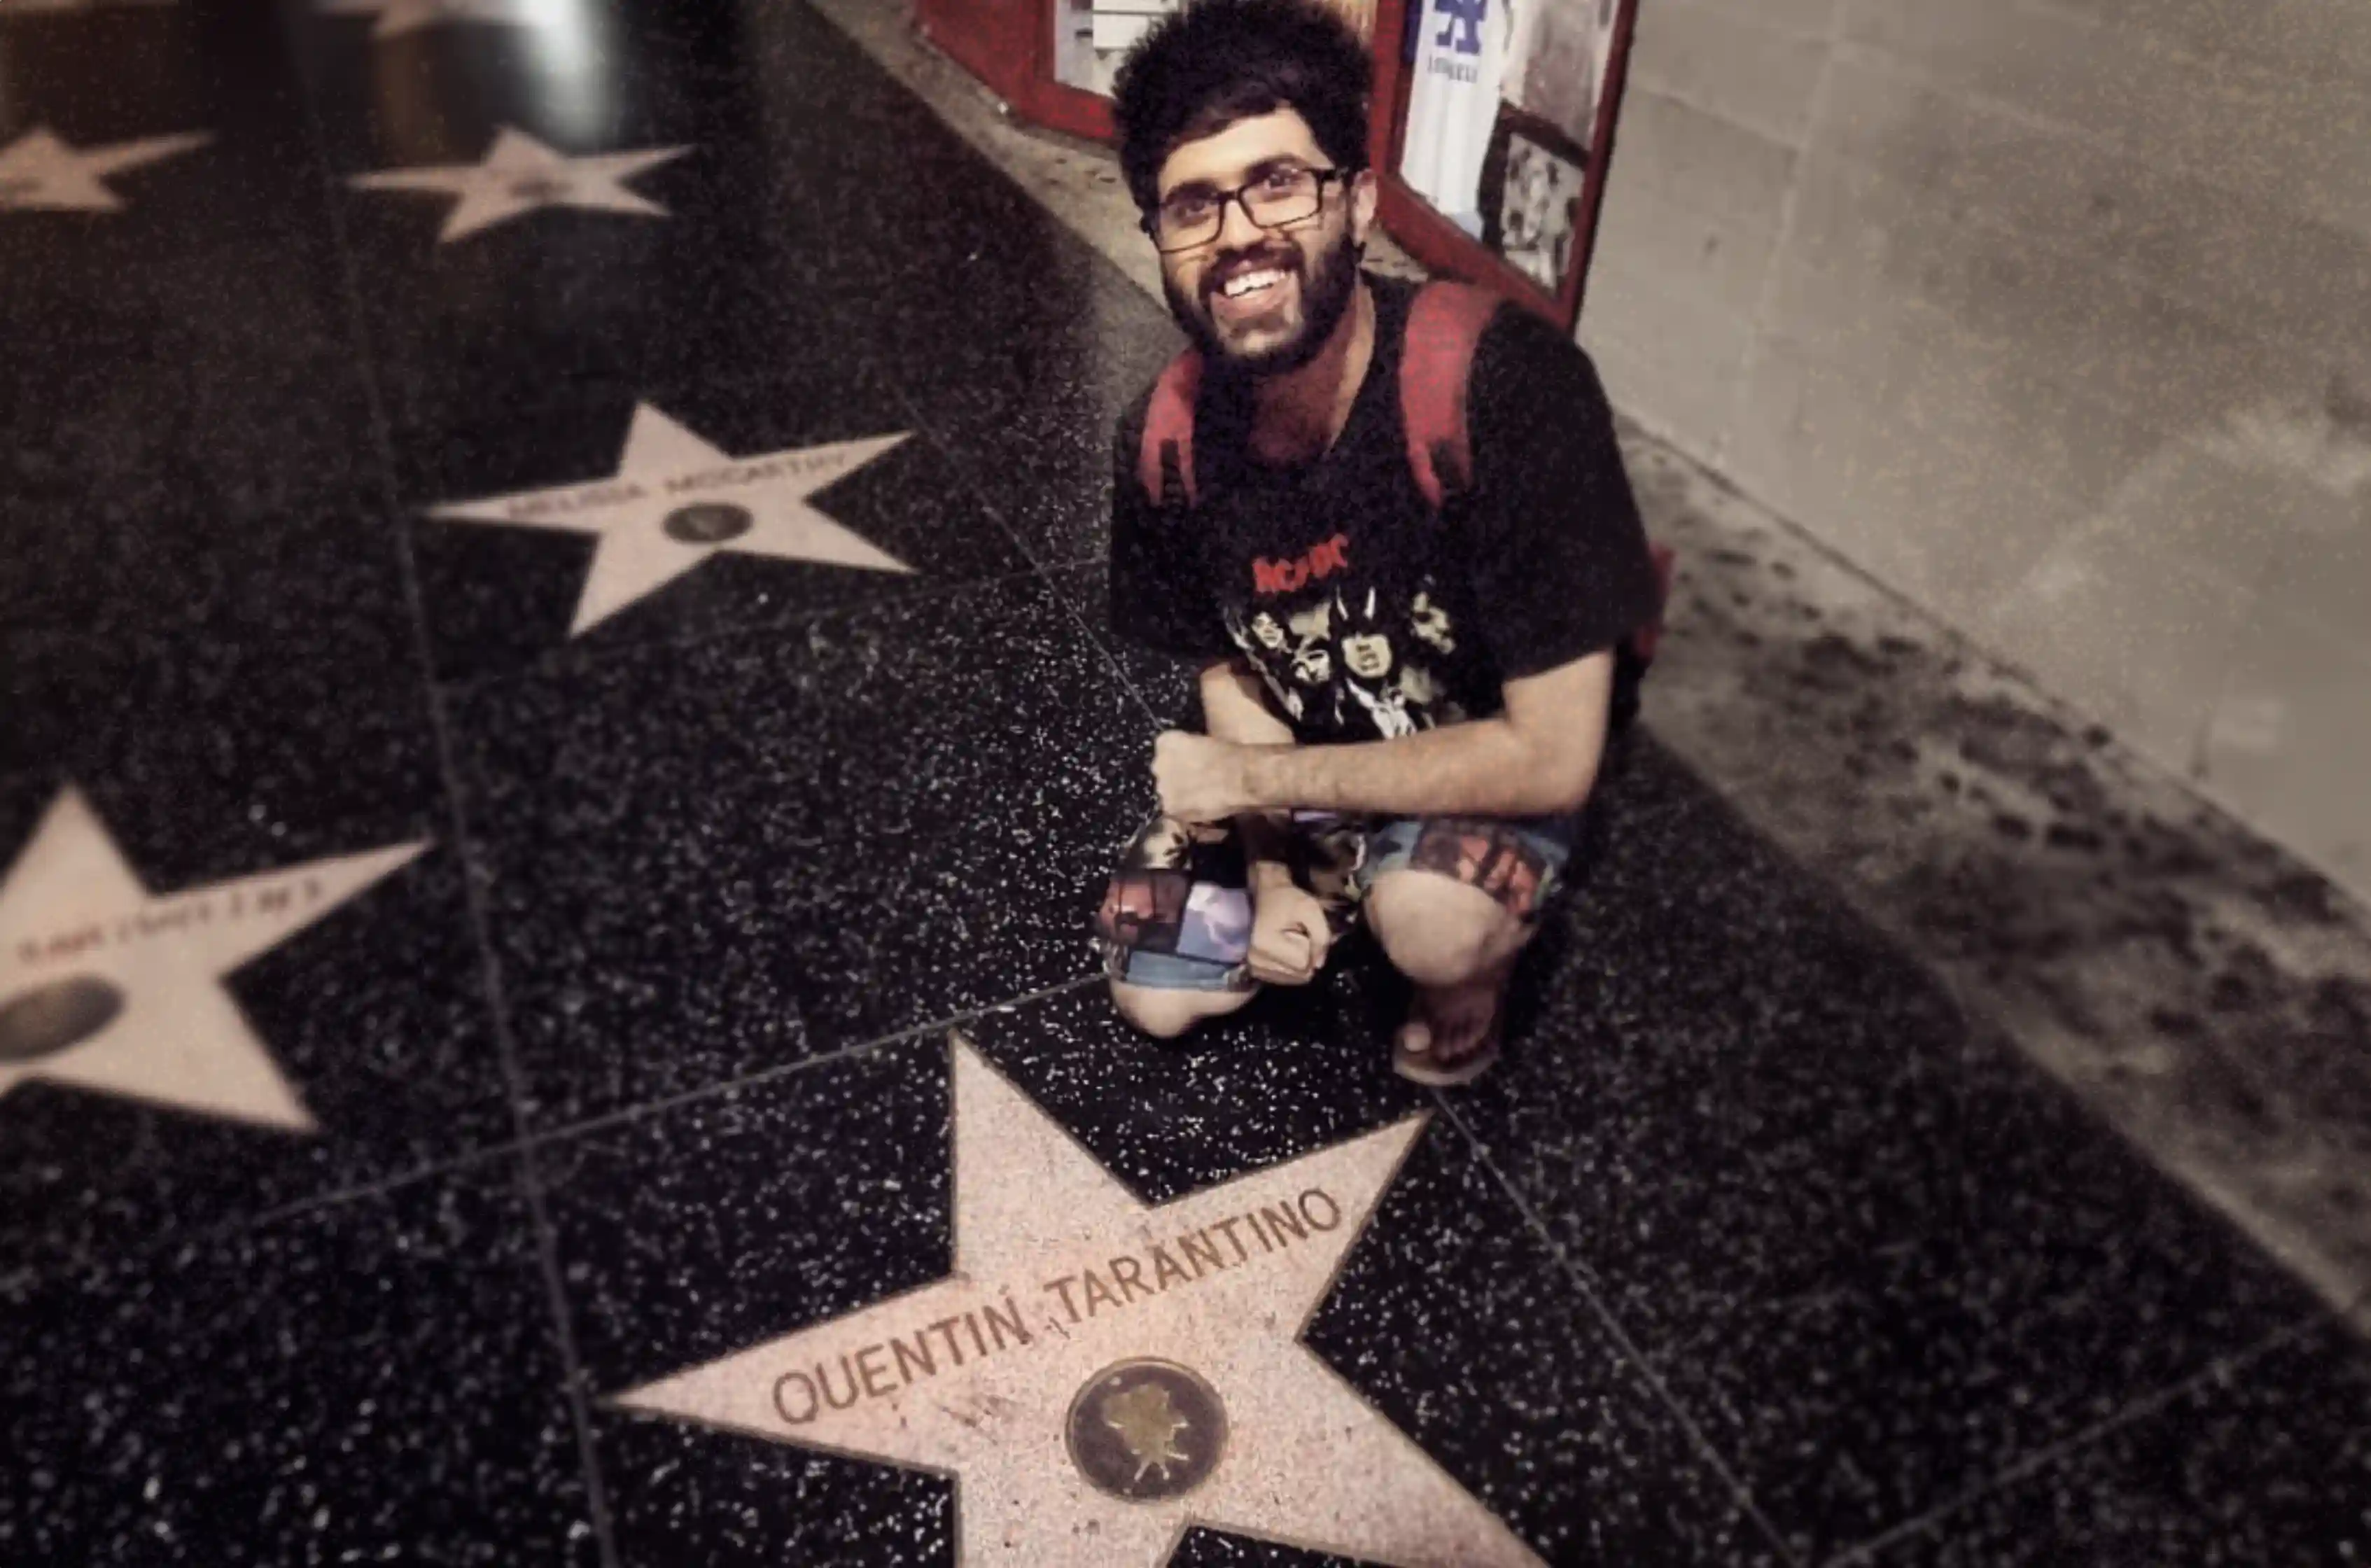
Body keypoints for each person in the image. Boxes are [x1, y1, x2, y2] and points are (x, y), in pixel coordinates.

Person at [1093, 0, 1663, 1085]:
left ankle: (1462, 962)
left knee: (1433, 927)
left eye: (1277, 182)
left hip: (1475, 764)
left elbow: (1552, 751)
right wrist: (1268, 876)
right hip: (1299, 756)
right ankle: (1333, 868)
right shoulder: (1163, 441)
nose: (1237, 237)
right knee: (1152, 992)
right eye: (1191, 206)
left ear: (1355, 202)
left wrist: (1257, 777)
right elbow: (1232, 669)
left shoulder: (1505, 390)